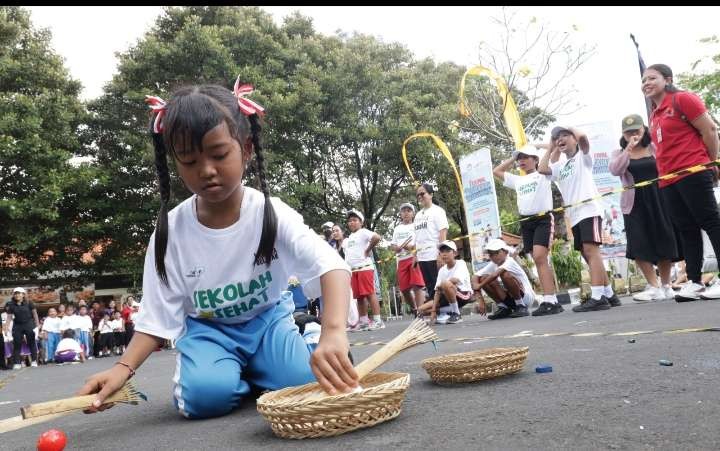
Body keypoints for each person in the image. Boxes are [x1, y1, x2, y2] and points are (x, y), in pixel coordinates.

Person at [77, 79, 357, 419]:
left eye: (219, 154)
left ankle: (305, 338)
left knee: (305, 383)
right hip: (209, 331)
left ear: (247, 149)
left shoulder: (269, 212)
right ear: (176, 164)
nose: (206, 171)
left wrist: (333, 333)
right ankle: (240, 376)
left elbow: (331, 266)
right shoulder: (171, 231)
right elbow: (158, 315)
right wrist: (122, 369)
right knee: (205, 398)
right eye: (190, 161)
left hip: (268, 321)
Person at [642, 63, 720, 301]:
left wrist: (711, 162)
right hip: (668, 179)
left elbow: (710, 130)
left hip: (694, 170)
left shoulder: (683, 99)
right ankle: (694, 282)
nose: (646, 83)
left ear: (668, 79)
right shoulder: (654, 114)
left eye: (652, 78)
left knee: (711, 222)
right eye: (644, 80)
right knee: (686, 229)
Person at [539, 126, 622, 312]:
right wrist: (551, 147)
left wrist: (568, 128)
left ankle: (597, 297)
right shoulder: (561, 166)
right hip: (574, 214)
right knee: (587, 253)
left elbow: (583, 137)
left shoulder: (583, 158)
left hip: (589, 210)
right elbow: (542, 169)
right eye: (557, 137)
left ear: (573, 139)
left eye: (564, 136)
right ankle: (609, 294)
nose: (560, 139)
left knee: (591, 251)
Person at [609, 114, 678, 302]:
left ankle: (666, 285)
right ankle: (653, 286)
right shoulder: (619, 153)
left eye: (636, 131)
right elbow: (615, 170)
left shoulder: (654, 147)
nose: (633, 134)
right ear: (623, 134)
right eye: (628, 132)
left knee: (665, 239)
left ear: (644, 130)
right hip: (634, 203)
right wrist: (628, 149)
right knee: (638, 242)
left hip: (660, 198)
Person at [493, 144, 563, 316]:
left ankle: (551, 300)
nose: (521, 161)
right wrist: (514, 156)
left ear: (535, 159)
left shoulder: (543, 174)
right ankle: (550, 300)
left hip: (543, 219)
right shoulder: (518, 180)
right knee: (537, 260)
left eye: (526, 157)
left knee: (540, 257)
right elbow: (497, 171)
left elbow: (556, 149)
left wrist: (540, 146)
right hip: (526, 222)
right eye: (520, 158)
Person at [471, 238, 536, 319]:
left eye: (496, 253)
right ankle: (503, 308)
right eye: (491, 254)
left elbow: (495, 275)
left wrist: (479, 286)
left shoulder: (509, 261)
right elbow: (475, 276)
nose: (493, 256)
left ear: (505, 252)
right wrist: (479, 298)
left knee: (505, 274)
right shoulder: (493, 264)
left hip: (526, 298)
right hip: (509, 298)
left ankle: (521, 306)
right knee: (483, 278)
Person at [343, 209, 384, 331]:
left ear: (361, 222)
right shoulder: (349, 238)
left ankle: (378, 320)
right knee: (359, 297)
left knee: (369, 294)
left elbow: (377, 237)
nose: (352, 223)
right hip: (353, 270)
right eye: (350, 221)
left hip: (364, 268)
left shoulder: (363, 232)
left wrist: (368, 250)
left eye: (355, 220)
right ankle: (363, 321)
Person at [413, 183, 449, 302]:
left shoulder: (438, 211)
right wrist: (415, 255)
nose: (420, 196)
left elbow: (442, 232)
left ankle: (450, 311)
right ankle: (438, 312)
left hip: (434, 254)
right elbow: (417, 237)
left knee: (438, 284)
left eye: (422, 193)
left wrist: (441, 253)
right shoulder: (418, 215)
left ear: (431, 194)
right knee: (429, 286)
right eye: (418, 194)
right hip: (422, 257)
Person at [390, 202, 426, 316]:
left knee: (417, 285)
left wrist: (412, 248)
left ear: (413, 213)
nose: (406, 213)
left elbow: (421, 241)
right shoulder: (397, 228)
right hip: (401, 260)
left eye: (408, 211)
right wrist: (397, 248)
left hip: (414, 257)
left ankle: (420, 311)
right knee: (404, 289)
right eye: (403, 211)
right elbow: (393, 245)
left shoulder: (417, 225)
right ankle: (414, 308)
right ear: (400, 214)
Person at [422, 240, 471, 325]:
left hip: (463, 295)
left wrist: (442, 286)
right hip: (447, 295)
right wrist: (433, 311)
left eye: (448, 251)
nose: (444, 254)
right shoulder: (442, 270)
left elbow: (455, 280)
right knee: (422, 310)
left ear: (455, 253)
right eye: (442, 251)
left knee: (445, 284)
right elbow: (437, 291)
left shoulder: (461, 263)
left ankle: (456, 314)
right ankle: (445, 313)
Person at [4, 287, 40, 369]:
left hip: (29, 324)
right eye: (16, 293)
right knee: (17, 344)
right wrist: (6, 328)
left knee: (31, 342)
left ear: (23, 294)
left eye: (19, 293)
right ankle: (17, 363)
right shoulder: (11, 305)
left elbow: (35, 314)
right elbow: (9, 317)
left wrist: (37, 325)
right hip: (17, 325)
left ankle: (34, 361)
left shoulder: (29, 303)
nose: (17, 295)